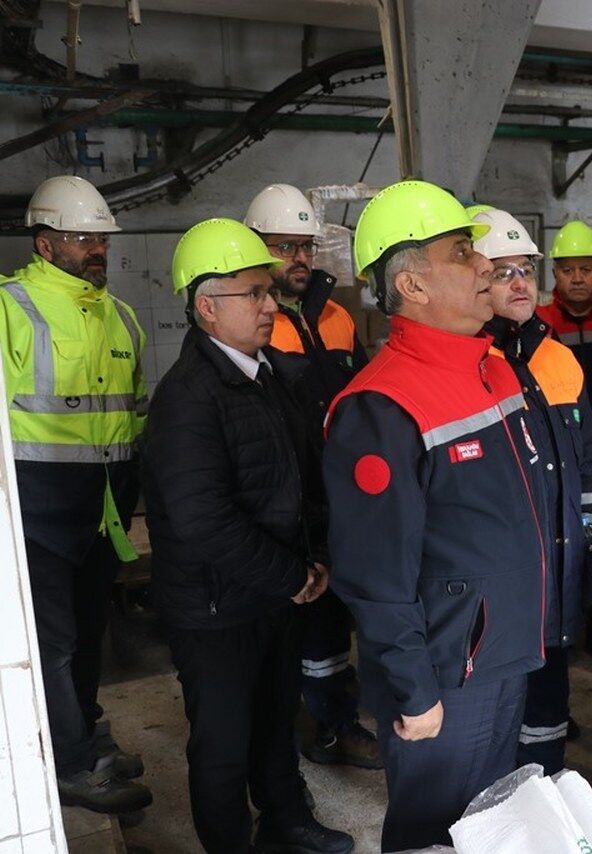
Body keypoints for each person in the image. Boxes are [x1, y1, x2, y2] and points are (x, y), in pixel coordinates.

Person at [323, 181, 547, 849]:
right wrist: (413, 691)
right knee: (433, 832)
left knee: (488, 823)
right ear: (412, 285)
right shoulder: (381, 407)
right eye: (462, 254)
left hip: (501, 650)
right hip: (446, 672)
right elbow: (373, 575)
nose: (485, 265)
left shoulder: (494, 370)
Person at [142, 218, 353, 853]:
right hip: (214, 608)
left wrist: (314, 558)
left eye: (269, 292)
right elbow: (202, 518)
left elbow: (301, 481)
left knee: (275, 720)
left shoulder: (267, 377)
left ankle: (286, 821)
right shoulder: (188, 397)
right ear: (207, 307)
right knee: (223, 744)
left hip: (271, 594)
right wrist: (292, 575)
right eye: (253, 294)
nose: (270, 306)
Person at [0, 175, 152, 813]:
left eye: (102, 239)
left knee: (89, 634)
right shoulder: (11, 307)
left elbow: (133, 417)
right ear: (45, 243)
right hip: (34, 510)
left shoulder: (122, 317)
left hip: (102, 509)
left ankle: (85, 734)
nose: (97, 249)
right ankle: (68, 764)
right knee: (53, 645)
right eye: (83, 238)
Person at [244, 183, 379, 771]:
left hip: (340, 492)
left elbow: (364, 399)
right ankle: (310, 726)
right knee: (294, 617)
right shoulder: (252, 322)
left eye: (305, 246)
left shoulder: (338, 317)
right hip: (283, 497)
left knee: (333, 614)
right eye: (285, 247)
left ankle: (335, 720)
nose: (299, 258)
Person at [474, 207, 592, 774]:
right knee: (499, 702)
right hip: (502, 573)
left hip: (560, 558)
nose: (520, 283)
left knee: (551, 687)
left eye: (525, 269)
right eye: (502, 272)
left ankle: (546, 781)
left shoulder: (558, 357)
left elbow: (589, 458)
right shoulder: (470, 364)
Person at [536, 219, 592, 672]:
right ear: (555, 273)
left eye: (585, 269)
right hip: (555, 458)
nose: (577, 278)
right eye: (568, 269)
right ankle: (561, 632)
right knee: (559, 551)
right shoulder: (539, 325)